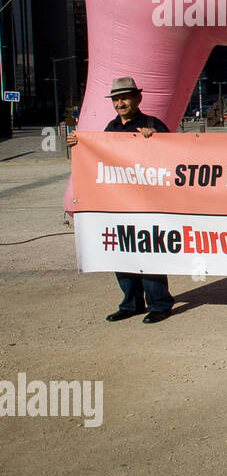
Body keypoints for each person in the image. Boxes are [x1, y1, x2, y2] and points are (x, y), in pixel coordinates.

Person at [66, 77, 175, 324]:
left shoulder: (152, 124)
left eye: (125, 97)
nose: (120, 102)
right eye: (116, 98)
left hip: (148, 204)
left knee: (148, 251)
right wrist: (77, 144)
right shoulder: (111, 129)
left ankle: (159, 303)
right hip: (117, 202)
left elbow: (174, 156)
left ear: (138, 98)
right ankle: (132, 303)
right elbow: (97, 158)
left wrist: (158, 139)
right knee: (121, 251)